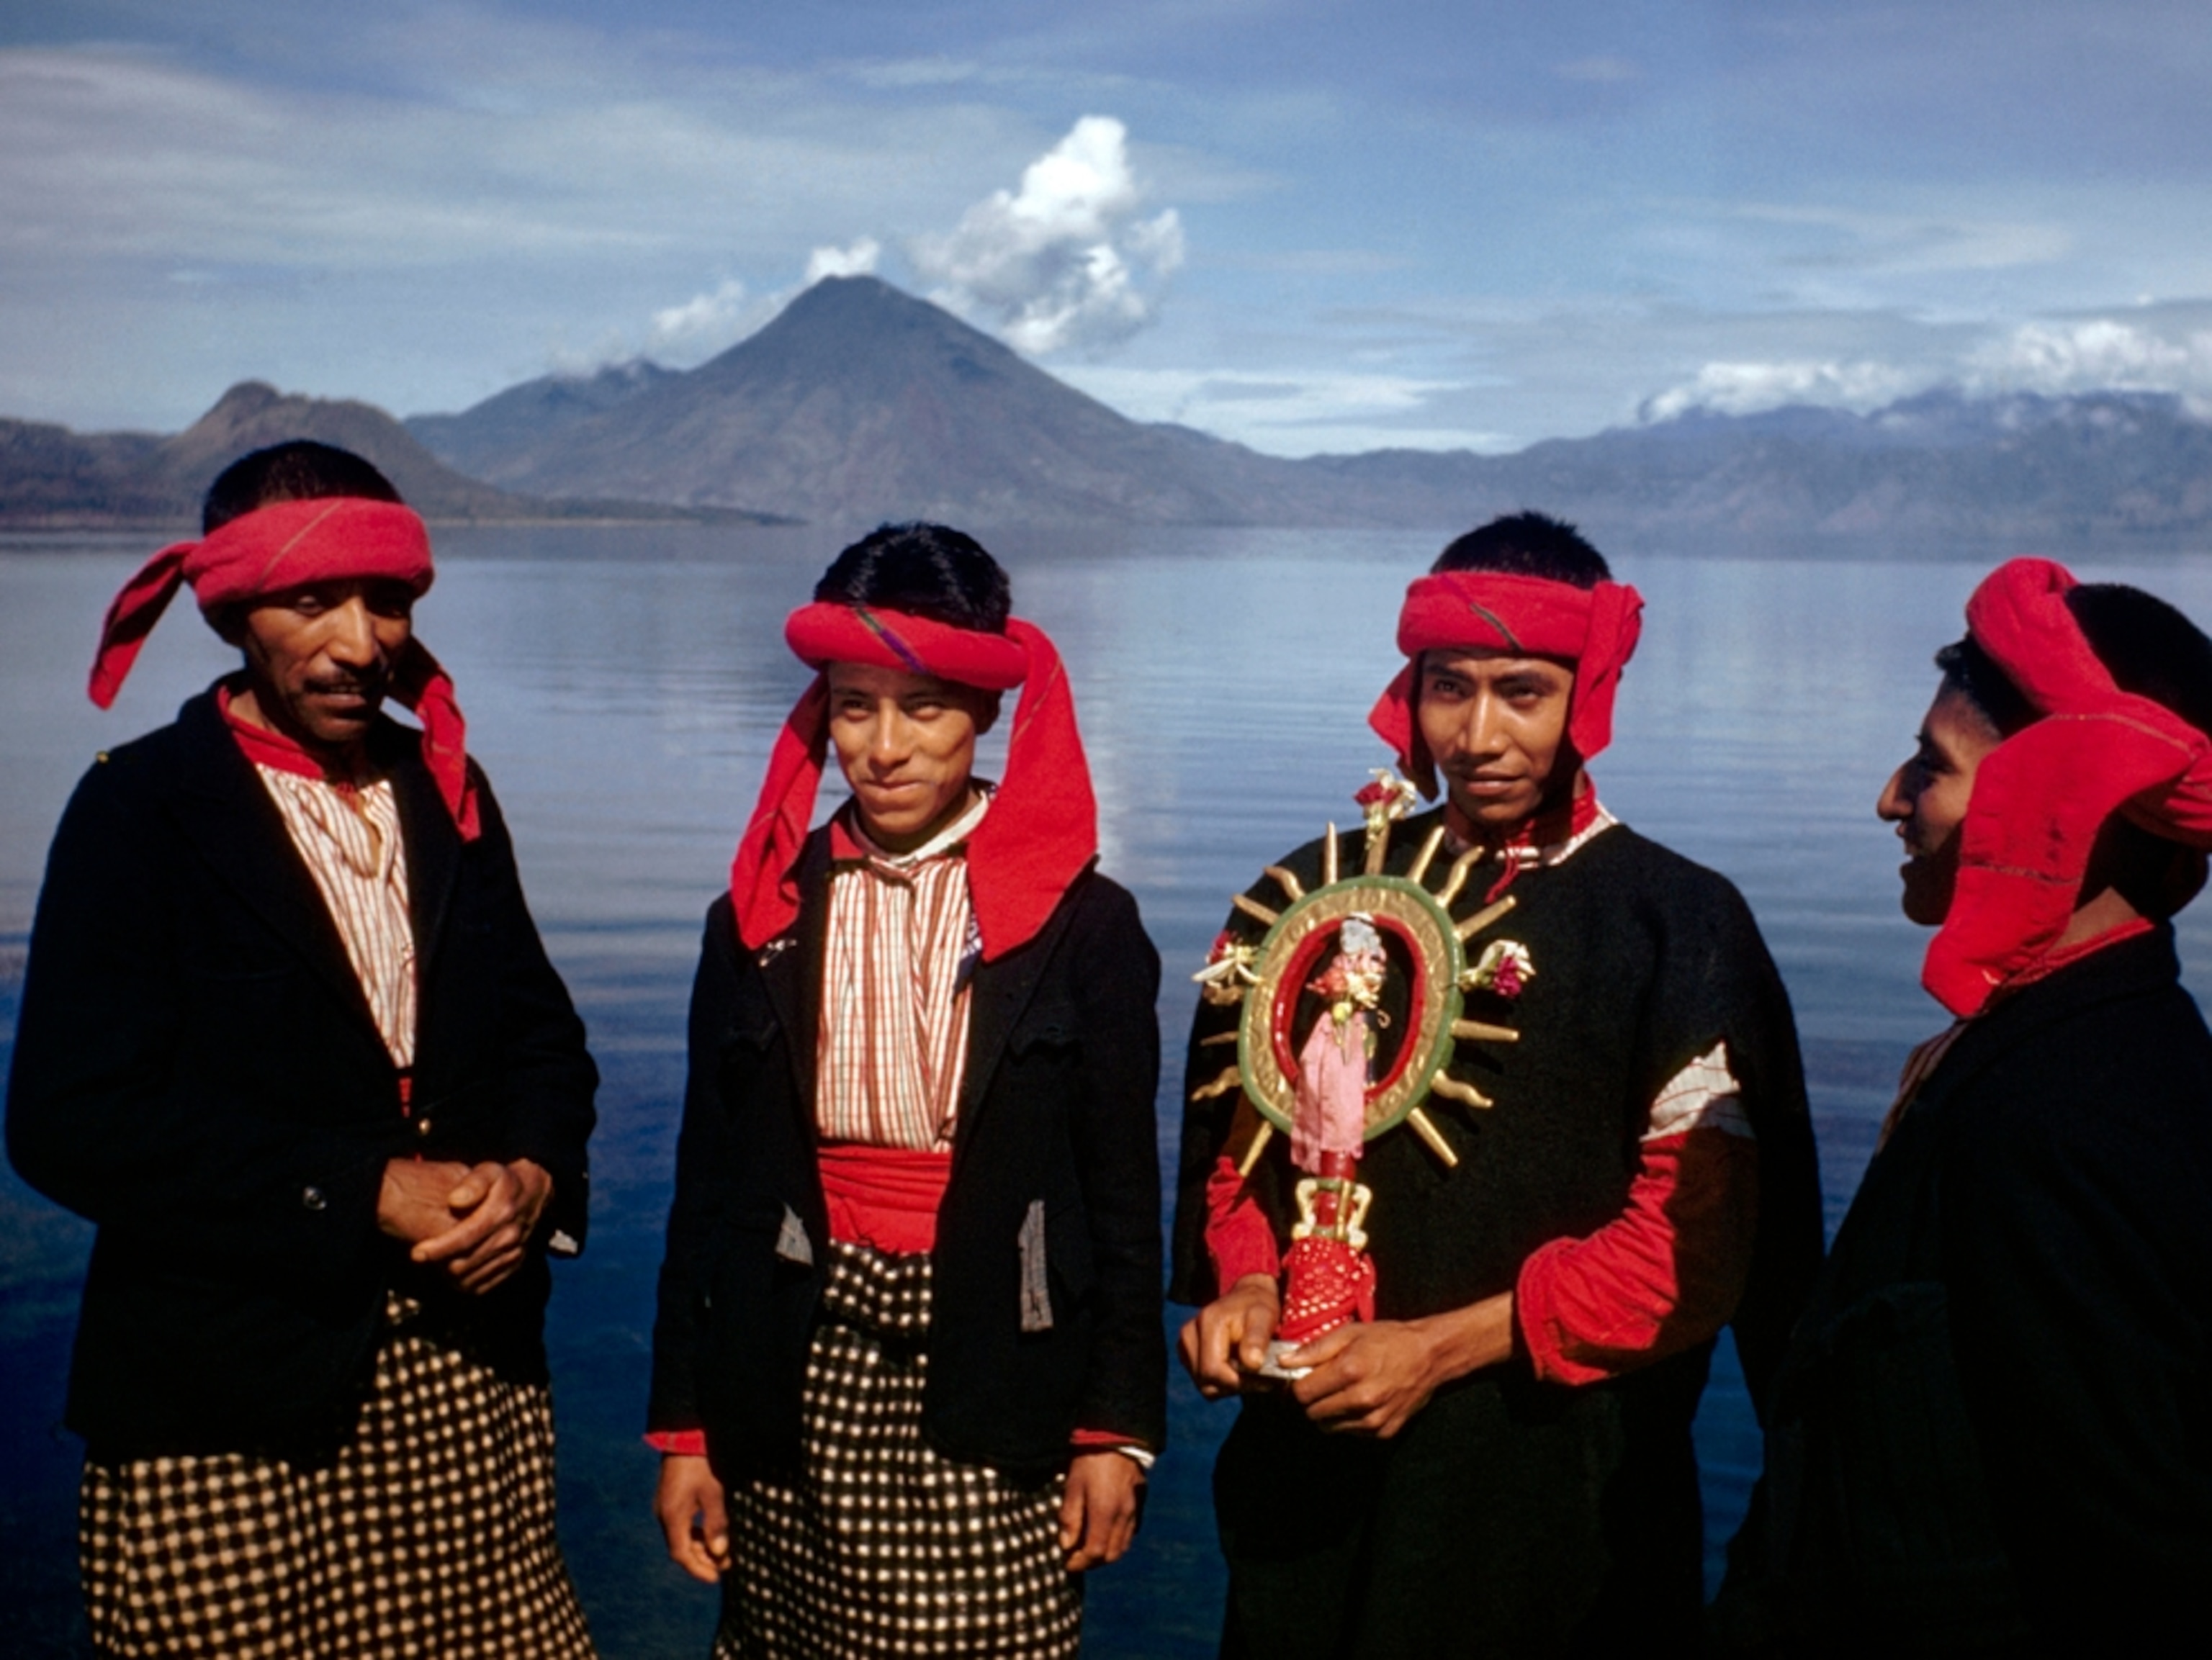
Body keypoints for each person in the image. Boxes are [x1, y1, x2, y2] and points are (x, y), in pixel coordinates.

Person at [1172, 512, 1823, 1656]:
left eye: (1522, 691)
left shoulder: (1674, 923)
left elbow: (1688, 1249)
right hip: (1310, 1487)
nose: (1478, 734)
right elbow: (1243, 1153)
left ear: (1588, 693)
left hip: (1554, 1498)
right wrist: (1252, 1290)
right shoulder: (1317, 897)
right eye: (1448, 688)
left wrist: (1436, 1349)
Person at [6, 441, 601, 1657]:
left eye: (386, 602)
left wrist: (533, 1179)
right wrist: (362, 1190)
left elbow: (543, 1037)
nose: (359, 642)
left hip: (464, 1383)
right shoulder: (141, 807)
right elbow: (70, 1117)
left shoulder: (445, 786)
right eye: (312, 601)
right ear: (231, 609)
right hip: (224, 1405)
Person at [647, 523, 1165, 1658]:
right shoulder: (760, 915)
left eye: (923, 707)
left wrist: (1115, 1428)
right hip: (795, 1363)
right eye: (852, 706)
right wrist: (686, 1425)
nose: (882, 748)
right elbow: (708, 1183)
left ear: (984, 712)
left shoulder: (1085, 926)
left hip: (1002, 1366)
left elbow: (1122, 1193)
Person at [1719, 559, 2212, 1653]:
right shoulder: (2059, 1049)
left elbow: (2128, 1549)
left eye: (1930, 768)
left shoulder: (2066, 1117)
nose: (1892, 798)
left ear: (2055, 809)